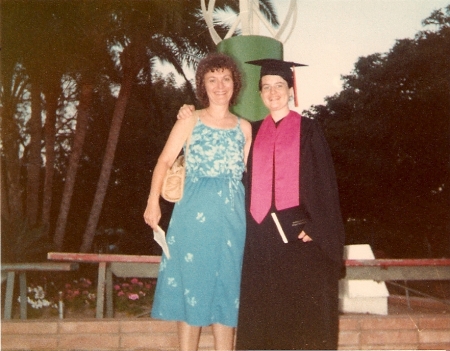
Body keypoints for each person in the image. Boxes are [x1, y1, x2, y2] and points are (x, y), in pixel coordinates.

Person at [177, 58, 345, 350]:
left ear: (290, 90)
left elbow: (324, 182)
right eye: (266, 87)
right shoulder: (250, 131)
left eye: (279, 85)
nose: (273, 92)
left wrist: (316, 225)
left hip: (298, 238)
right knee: (263, 312)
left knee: (300, 313)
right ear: (259, 93)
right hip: (260, 238)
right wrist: (188, 110)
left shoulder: (308, 129)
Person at [144, 52, 252, 351]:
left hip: (232, 222)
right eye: (212, 79)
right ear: (202, 85)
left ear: (235, 83)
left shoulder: (244, 129)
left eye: (226, 78)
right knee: (192, 287)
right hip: (192, 218)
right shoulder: (189, 120)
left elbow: (247, 178)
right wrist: (153, 202)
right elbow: (164, 162)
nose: (220, 85)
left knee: (226, 291)